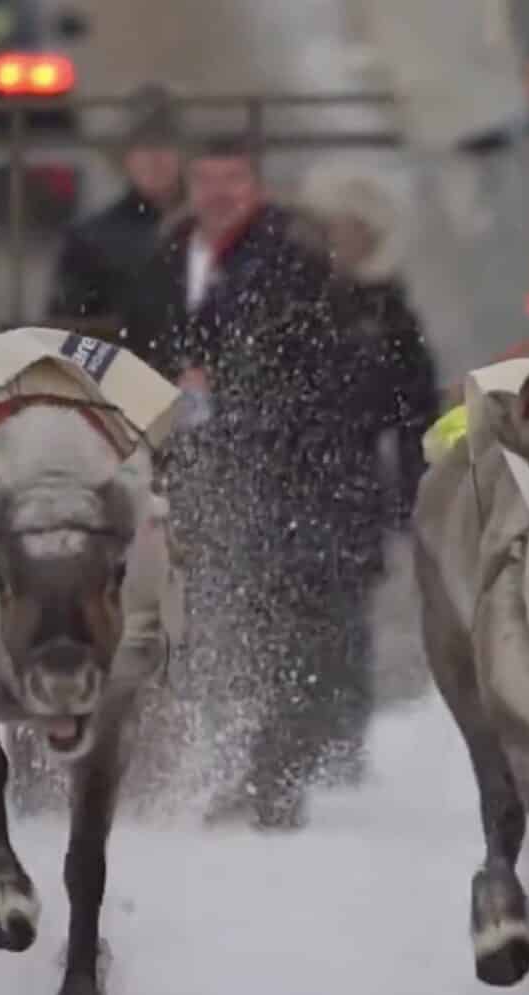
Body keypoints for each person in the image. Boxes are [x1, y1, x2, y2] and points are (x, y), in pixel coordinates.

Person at [118, 136, 360, 829]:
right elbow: (142, 340)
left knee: (272, 618)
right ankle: (213, 767)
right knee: (194, 619)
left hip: (276, 470)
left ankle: (272, 775)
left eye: (233, 179)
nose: (219, 193)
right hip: (186, 462)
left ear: (257, 186)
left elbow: (311, 362)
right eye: (207, 179)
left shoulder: (292, 260)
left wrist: (225, 386)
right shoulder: (170, 256)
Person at [297, 159, 440, 783]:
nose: (343, 240)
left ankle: (341, 739)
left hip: (354, 481)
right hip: (290, 473)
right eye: (336, 227)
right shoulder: (293, 298)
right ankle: (296, 734)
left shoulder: (389, 313)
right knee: (294, 611)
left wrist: (416, 496)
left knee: (347, 613)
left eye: (356, 229)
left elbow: (414, 411)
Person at [45, 83, 184, 332]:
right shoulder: (89, 239)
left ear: (184, 155)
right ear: (126, 158)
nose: (155, 159)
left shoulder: (209, 230)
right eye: (143, 147)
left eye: (165, 145)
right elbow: (65, 330)